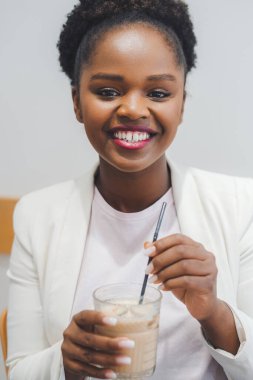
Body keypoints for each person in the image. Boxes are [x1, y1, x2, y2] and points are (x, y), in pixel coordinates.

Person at [6, 0, 253, 379]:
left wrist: (213, 312)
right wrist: (64, 363)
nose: (133, 109)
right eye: (107, 91)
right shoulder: (37, 216)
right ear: (77, 102)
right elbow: (19, 371)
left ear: (182, 104)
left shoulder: (241, 205)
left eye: (158, 93)